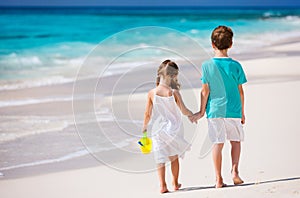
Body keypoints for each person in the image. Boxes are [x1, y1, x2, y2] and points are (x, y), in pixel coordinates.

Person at [190, 26, 247, 188]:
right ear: (231, 44)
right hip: (233, 109)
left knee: (217, 143)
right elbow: (240, 91)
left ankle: (218, 179)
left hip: (214, 111)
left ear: (212, 45)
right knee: (235, 141)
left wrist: (201, 111)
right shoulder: (236, 66)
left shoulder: (207, 65)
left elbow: (204, 91)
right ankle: (235, 172)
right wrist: (242, 112)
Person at [142, 60, 193, 193]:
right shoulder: (173, 92)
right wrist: (192, 115)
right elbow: (183, 110)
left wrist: (144, 126)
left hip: (158, 129)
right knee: (174, 157)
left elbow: (147, 113)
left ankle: (162, 185)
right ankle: (175, 183)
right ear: (173, 76)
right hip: (173, 130)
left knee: (160, 158)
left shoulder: (151, 93)